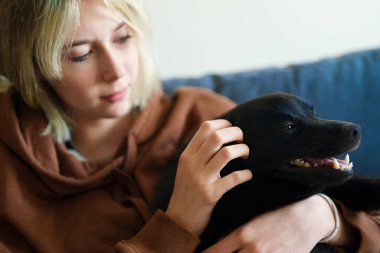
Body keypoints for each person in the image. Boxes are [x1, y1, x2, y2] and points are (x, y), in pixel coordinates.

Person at [0, 0, 379, 252]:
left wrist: (321, 218)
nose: (116, 72)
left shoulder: (209, 117)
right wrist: (178, 222)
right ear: (34, 67)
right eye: (81, 54)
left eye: (123, 38)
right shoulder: (11, 172)